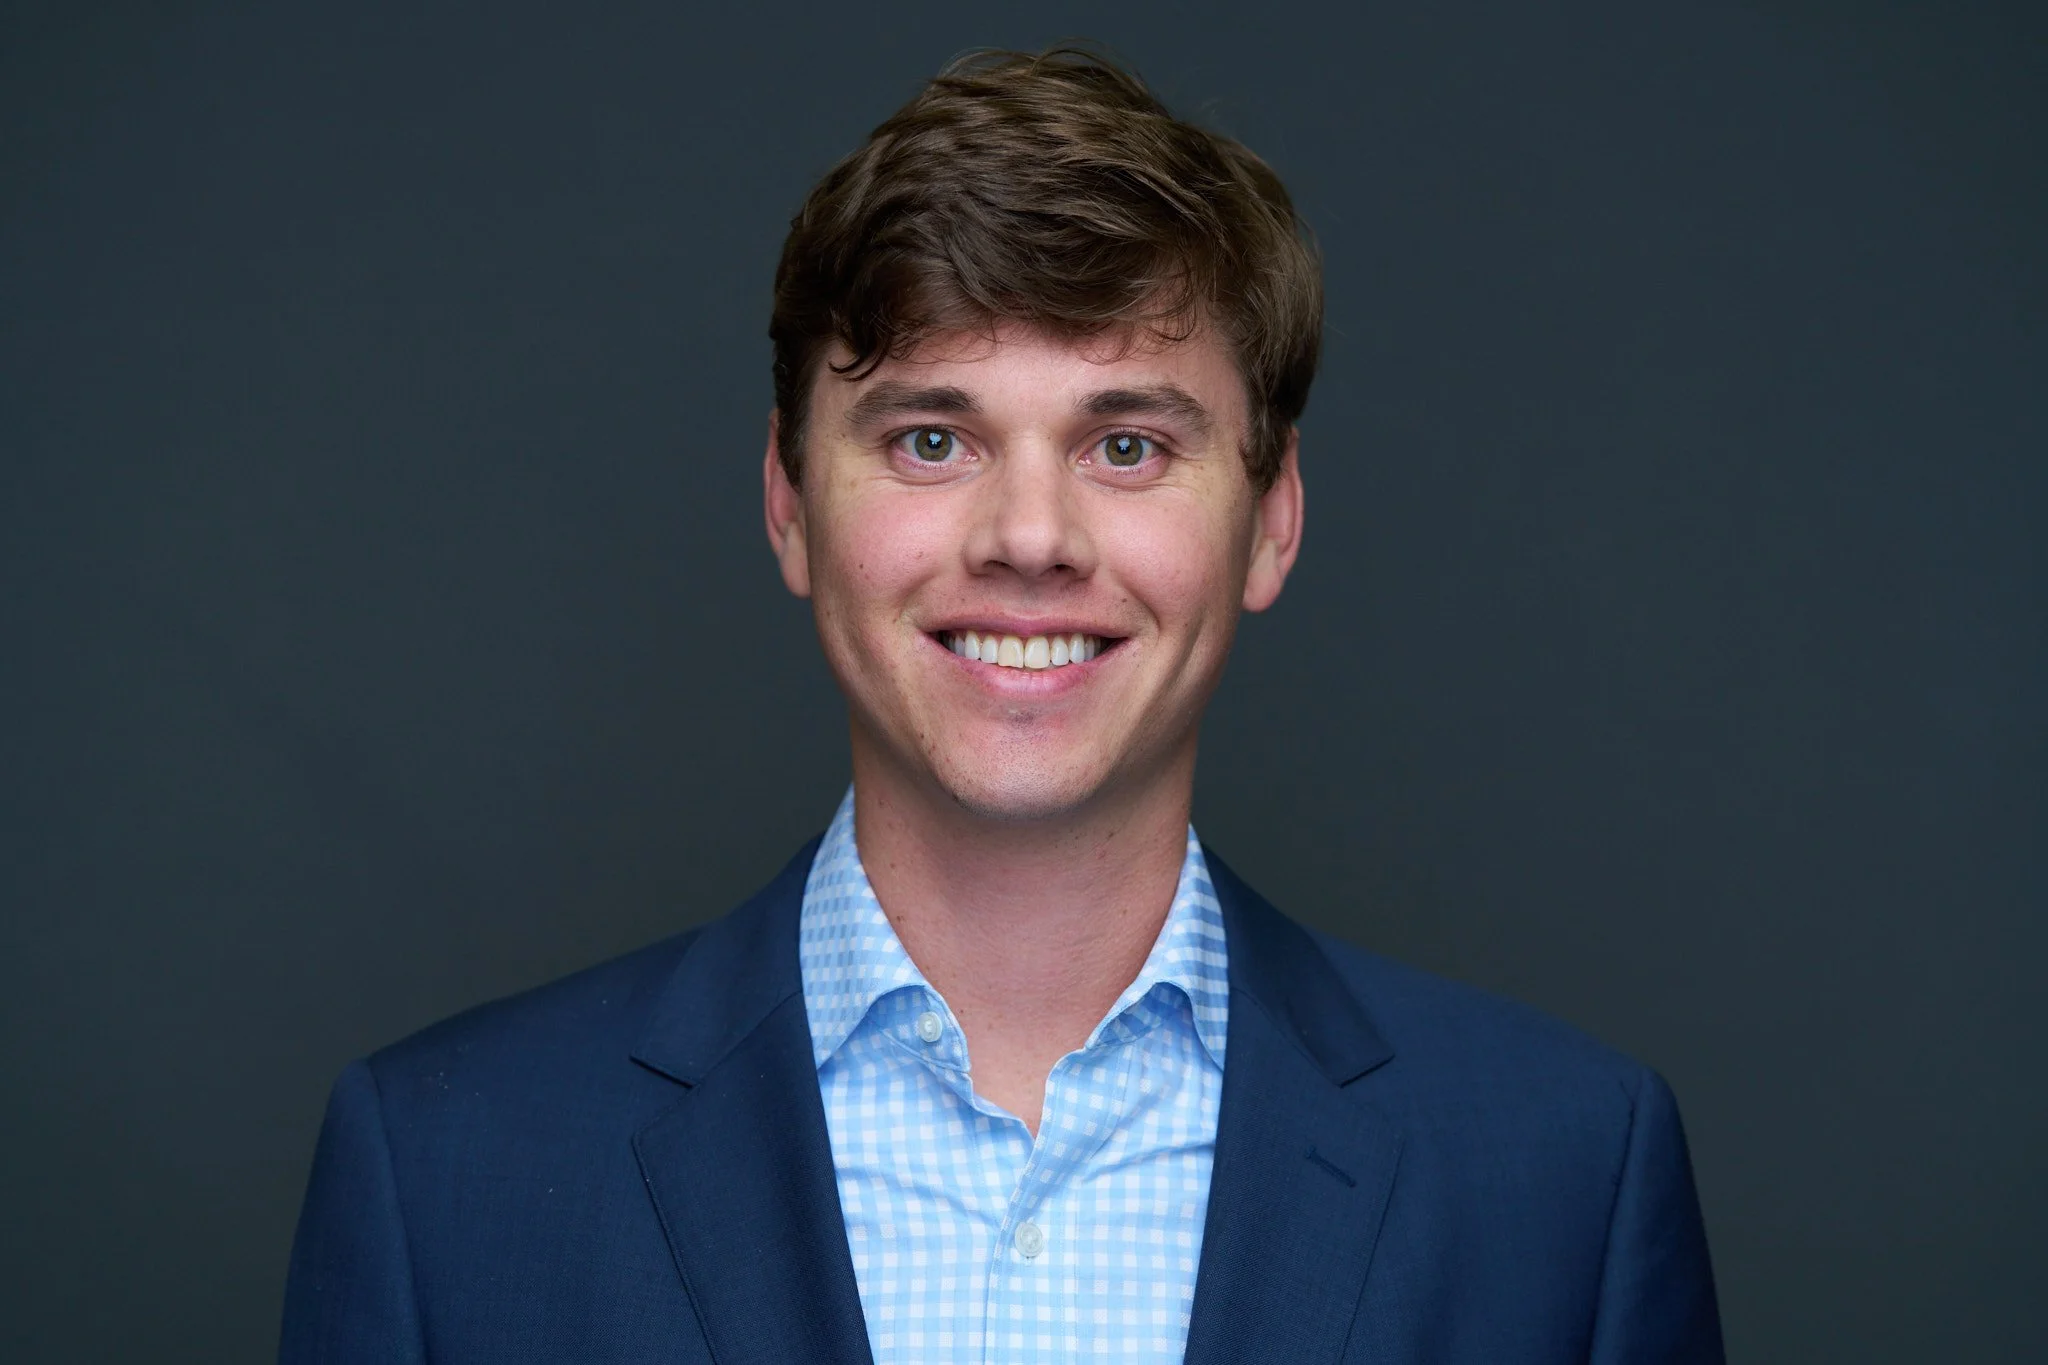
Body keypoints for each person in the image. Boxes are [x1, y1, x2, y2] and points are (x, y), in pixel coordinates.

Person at [280, 48, 1723, 1365]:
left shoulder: (1567, 1181)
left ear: (1272, 519)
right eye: (931, 438)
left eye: (1127, 446)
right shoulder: (443, 1179)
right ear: (789, 502)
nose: (1030, 538)